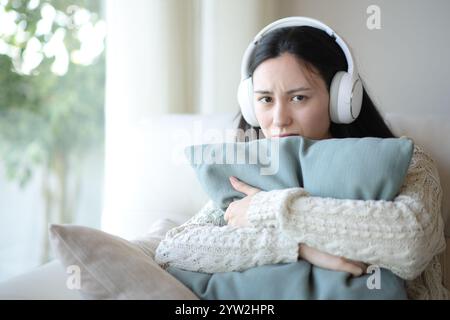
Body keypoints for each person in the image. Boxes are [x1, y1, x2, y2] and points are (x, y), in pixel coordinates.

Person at [155, 17, 448, 299]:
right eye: (265, 99)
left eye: (298, 97)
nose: (279, 119)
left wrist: (266, 210)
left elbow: (411, 241)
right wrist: (298, 247)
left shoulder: (410, 163)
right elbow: (174, 250)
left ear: (340, 100)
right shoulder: (255, 170)